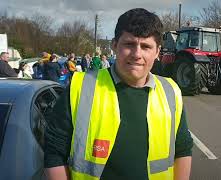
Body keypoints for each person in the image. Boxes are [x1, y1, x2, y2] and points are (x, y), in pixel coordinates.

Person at [44, 8, 193, 180]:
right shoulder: (80, 86)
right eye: (129, 44)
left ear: (157, 52)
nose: (137, 54)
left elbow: (182, 149)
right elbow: (54, 152)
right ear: (115, 45)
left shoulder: (171, 91)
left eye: (145, 46)